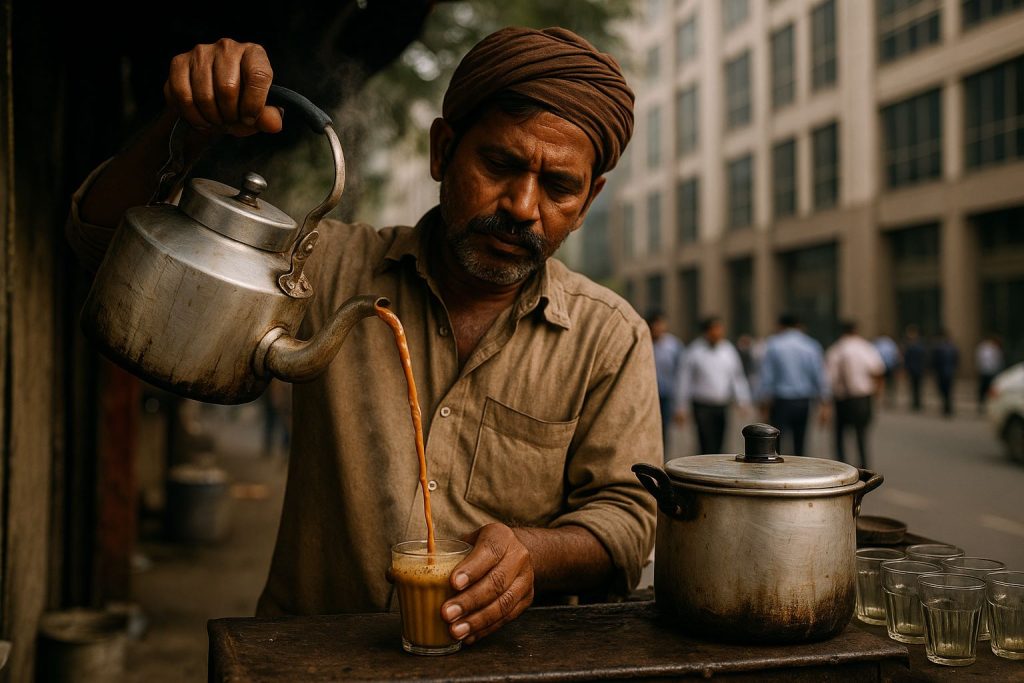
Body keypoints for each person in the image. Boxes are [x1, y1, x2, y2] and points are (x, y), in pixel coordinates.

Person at [67, 30, 660, 645]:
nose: (522, 206)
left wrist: (534, 555)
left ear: (588, 200)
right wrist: (187, 126)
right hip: (308, 657)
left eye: (559, 187)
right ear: (443, 150)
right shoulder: (320, 267)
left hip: (501, 663)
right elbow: (99, 243)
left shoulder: (607, 338)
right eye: (501, 165)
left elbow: (629, 519)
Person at [674, 316, 751, 454]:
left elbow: (737, 377)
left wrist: (743, 400)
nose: (717, 333)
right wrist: (681, 407)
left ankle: (717, 471)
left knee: (720, 442)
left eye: (719, 329)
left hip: (721, 404)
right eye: (714, 329)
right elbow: (684, 380)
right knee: (706, 441)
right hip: (702, 405)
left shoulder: (728, 350)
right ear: (706, 331)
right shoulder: (694, 351)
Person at [757, 313, 829, 456]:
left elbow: (767, 377)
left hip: (781, 402)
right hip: (803, 401)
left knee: (776, 443)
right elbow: (819, 376)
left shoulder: (773, 344)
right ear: (799, 326)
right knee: (800, 442)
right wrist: (825, 403)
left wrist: (763, 403)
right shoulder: (811, 345)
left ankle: (777, 474)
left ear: (781, 326)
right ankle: (798, 474)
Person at [826, 322, 886, 469]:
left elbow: (829, 378)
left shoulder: (836, 349)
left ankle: (841, 466)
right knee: (861, 433)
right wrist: (877, 394)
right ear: (856, 331)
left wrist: (826, 404)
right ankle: (864, 464)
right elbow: (878, 371)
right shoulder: (866, 347)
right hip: (862, 397)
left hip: (843, 399)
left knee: (840, 434)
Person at [646, 309, 684, 456]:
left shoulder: (673, 346)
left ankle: (661, 457)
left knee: (664, 429)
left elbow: (680, 374)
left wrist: (680, 405)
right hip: (648, 396)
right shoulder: (643, 342)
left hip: (666, 395)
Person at [932, 330, 959, 417]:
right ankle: (948, 407)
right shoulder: (953, 348)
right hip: (949, 372)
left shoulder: (938, 348)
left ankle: (946, 407)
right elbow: (956, 361)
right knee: (948, 391)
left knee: (943, 391)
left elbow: (935, 362)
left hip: (942, 373)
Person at [975, 334, 1004, 413]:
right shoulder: (984, 348)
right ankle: (981, 405)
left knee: (989, 389)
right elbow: (981, 359)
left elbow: (998, 361)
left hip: (992, 371)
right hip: (985, 371)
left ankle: (987, 405)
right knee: (983, 389)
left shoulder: (996, 349)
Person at [902, 325, 927, 412]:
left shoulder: (916, 346)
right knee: (914, 387)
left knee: (917, 387)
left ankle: (917, 403)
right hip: (915, 369)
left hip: (917, 369)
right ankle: (916, 403)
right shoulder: (912, 345)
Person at [872, 333, 900, 408]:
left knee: (880, 384)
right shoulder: (891, 343)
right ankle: (890, 399)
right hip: (890, 366)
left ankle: (879, 400)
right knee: (890, 384)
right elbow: (896, 355)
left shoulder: (877, 343)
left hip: (880, 367)